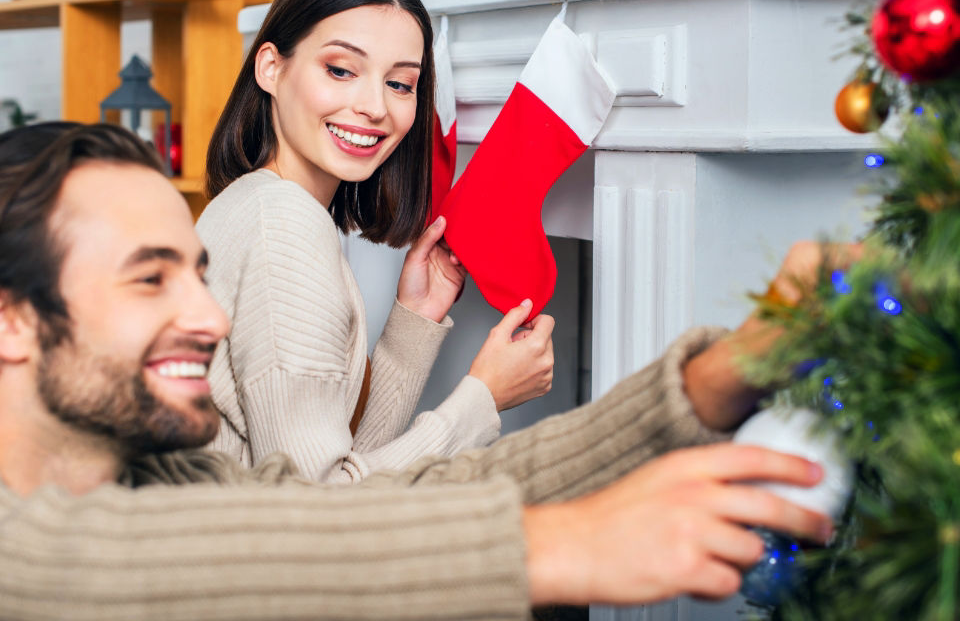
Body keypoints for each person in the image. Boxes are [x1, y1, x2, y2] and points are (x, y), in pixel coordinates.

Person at [0, 123, 836, 620]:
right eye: (151, 279)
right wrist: (562, 545)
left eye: (197, 272)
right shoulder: (43, 549)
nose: (212, 317)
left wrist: (711, 380)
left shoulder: (167, 476)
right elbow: (116, 563)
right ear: (11, 316)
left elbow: (360, 510)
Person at [197, 0, 554, 482]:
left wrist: (415, 322)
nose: (374, 107)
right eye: (340, 70)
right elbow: (315, 512)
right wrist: (484, 398)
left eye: (400, 84)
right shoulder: (284, 228)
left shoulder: (255, 204)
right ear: (271, 67)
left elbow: (338, 469)